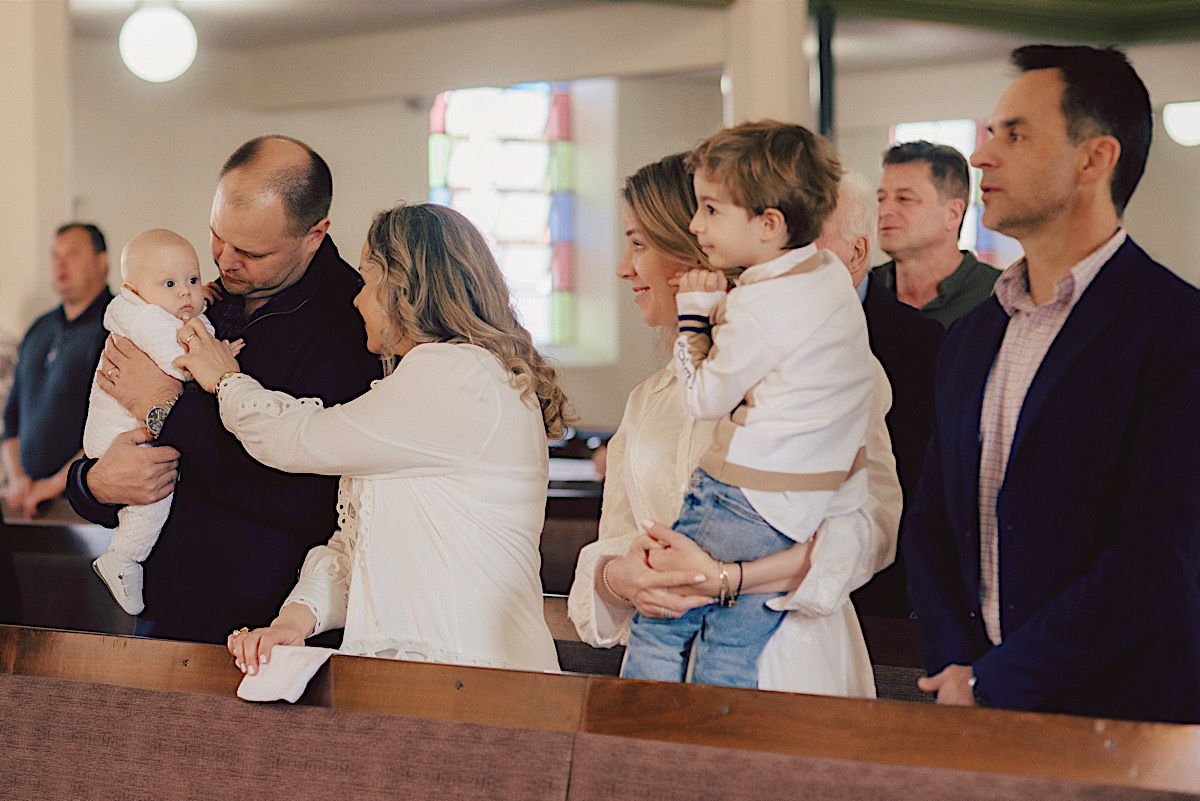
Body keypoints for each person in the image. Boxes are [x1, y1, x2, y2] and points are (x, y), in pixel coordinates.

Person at [904, 45, 1200, 723]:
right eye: (988, 133)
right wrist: (957, 670)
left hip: (1125, 716)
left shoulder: (1176, 329)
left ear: (1094, 158)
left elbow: (1156, 556)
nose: (981, 157)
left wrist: (999, 681)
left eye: (1013, 134)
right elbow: (930, 525)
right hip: (975, 707)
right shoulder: (970, 338)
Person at [178, 202, 568, 674]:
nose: (357, 300)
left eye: (366, 282)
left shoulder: (459, 373)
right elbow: (359, 544)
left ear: (404, 286)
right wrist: (295, 620)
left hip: (470, 672)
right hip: (407, 675)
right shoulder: (441, 377)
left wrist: (224, 380)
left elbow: (299, 438)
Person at [568, 152, 902, 697]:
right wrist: (627, 578)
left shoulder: (821, 364)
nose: (624, 268)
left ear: (691, 248)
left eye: (638, 243)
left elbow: (870, 532)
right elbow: (616, 543)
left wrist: (727, 579)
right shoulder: (648, 399)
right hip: (663, 669)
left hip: (786, 665)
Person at [65, 136, 382, 644]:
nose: (225, 262)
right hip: (165, 612)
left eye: (251, 251)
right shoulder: (196, 300)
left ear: (314, 234)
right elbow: (106, 423)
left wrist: (167, 407)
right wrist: (95, 484)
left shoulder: (353, 325)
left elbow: (312, 501)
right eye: (218, 237)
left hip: (269, 628)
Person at [86, 230, 242, 615]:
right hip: (118, 435)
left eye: (192, 279)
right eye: (170, 284)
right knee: (154, 495)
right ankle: (123, 558)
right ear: (134, 290)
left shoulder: (169, 310)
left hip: (135, 428)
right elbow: (182, 365)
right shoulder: (145, 318)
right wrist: (217, 355)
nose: (186, 293)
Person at [815, 172, 944, 618]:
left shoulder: (918, 344)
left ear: (857, 252)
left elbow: (907, 489)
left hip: (874, 596)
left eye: (809, 235)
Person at [3, 223, 112, 518]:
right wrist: (17, 479)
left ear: (103, 262)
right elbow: (10, 420)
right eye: (55, 255)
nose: (60, 263)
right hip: (26, 503)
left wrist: (53, 485)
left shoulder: (117, 328)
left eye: (73, 254)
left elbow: (115, 426)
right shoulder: (38, 328)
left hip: (85, 507)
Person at [872, 141, 999, 327]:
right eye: (881, 199)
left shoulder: (998, 295)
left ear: (953, 214)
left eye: (904, 198)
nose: (883, 211)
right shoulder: (863, 290)